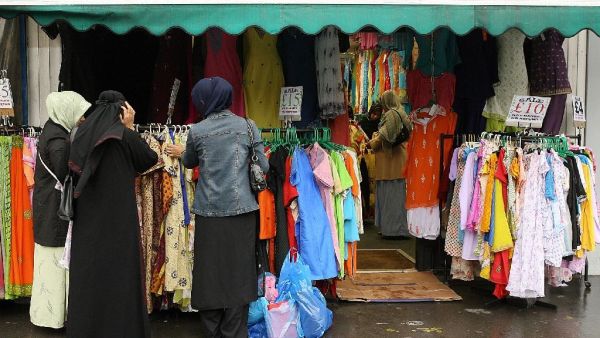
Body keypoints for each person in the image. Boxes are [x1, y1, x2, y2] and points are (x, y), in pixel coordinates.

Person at [66, 91, 158, 338]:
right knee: (120, 274)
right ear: (122, 111)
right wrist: (129, 127)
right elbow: (150, 158)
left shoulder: (81, 134)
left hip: (88, 219)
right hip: (119, 219)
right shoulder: (124, 135)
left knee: (90, 274)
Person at [182, 77, 269, 337]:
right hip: (242, 212)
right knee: (239, 272)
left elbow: (188, 161)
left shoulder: (197, 131)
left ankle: (212, 330)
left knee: (210, 273)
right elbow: (263, 166)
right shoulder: (247, 126)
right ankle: (235, 331)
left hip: (209, 213)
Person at [30, 91, 91, 329]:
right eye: (79, 112)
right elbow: (65, 174)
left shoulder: (51, 129)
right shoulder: (59, 140)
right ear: (66, 111)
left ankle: (48, 317)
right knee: (55, 262)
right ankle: (53, 318)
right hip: (55, 212)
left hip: (48, 207)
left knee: (49, 262)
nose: (83, 118)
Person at [368, 90, 413, 238]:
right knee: (396, 197)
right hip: (397, 160)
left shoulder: (391, 114)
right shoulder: (401, 112)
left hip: (391, 162)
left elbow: (385, 136)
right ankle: (395, 228)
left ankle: (393, 230)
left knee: (390, 197)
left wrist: (372, 142)